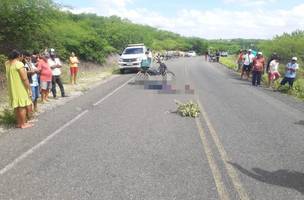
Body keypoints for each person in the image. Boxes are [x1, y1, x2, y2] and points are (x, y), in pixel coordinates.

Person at [5, 50, 33, 129]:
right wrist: (29, 88)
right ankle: (23, 124)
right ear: (18, 56)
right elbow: (24, 78)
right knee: (22, 106)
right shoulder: (19, 64)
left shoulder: (7, 64)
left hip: (12, 88)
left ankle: (19, 123)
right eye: (21, 56)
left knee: (16, 106)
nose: (22, 58)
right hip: (20, 88)